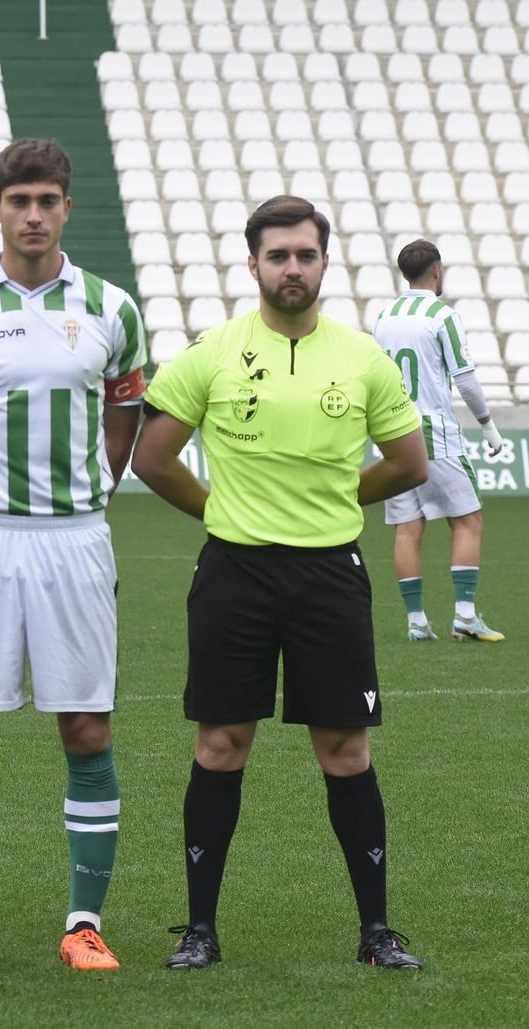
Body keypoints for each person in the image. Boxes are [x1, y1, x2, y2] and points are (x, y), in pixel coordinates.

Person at [132, 195, 429, 972]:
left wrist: (334, 501)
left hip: (331, 571)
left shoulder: (362, 356)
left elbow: (409, 462)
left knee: (346, 750)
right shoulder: (212, 352)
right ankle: (200, 930)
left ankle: (376, 932)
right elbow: (153, 458)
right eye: (277, 256)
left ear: (325, 261)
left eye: (304, 254)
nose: (291, 268)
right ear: (255, 263)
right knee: (221, 743)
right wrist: (220, 511)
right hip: (236, 571)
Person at [0, 139, 146, 973]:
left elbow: (126, 410)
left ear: (66, 208)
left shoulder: (112, 307)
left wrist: (96, 488)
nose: (34, 216)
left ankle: (85, 923)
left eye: (47, 201)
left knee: (86, 727)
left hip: (76, 540)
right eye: (19, 202)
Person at [372, 240, 506, 643]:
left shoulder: (383, 317)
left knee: (407, 530)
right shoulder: (442, 316)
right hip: (434, 436)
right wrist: (487, 424)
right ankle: (464, 615)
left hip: (392, 437)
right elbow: (463, 377)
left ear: (403, 274)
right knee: (467, 521)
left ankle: (416, 622)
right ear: (436, 270)